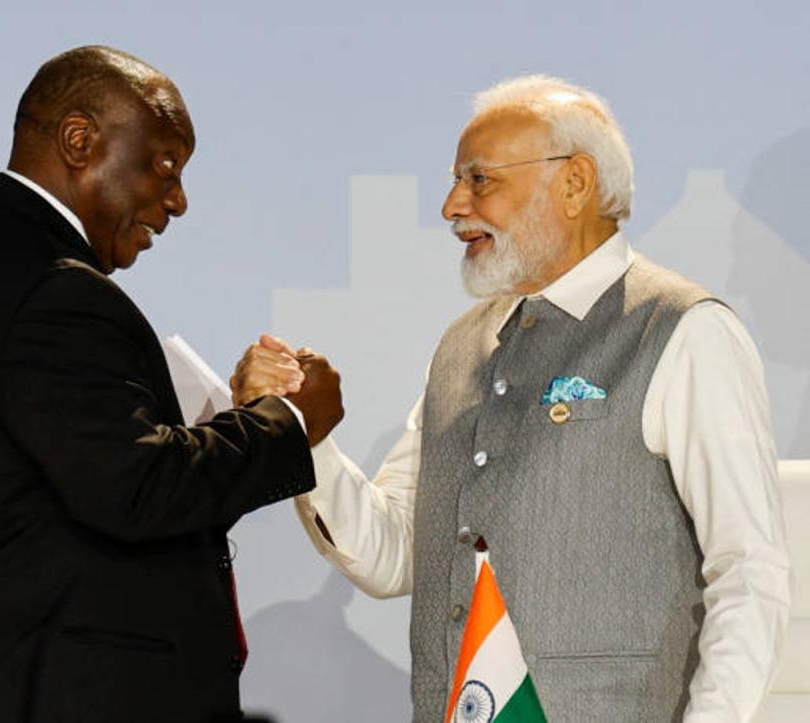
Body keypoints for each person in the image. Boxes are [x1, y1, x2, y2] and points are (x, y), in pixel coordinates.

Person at [245, 76, 792, 720]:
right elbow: (392, 555)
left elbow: (750, 576)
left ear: (575, 183)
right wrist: (308, 436)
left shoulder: (685, 329)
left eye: (480, 179)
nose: (452, 205)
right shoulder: (459, 347)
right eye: (456, 180)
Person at [0, 45, 342, 723]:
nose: (177, 200)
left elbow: (85, 497)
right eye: (164, 165)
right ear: (79, 141)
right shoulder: (54, 292)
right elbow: (136, 488)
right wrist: (286, 419)